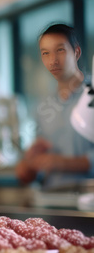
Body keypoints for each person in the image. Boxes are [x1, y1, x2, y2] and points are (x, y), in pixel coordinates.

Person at [15, 24, 94, 190]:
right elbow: (32, 172)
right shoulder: (43, 106)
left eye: (60, 50)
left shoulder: (91, 95)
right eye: (46, 53)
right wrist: (29, 162)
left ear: (77, 52)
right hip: (51, 198)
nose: (53, 60)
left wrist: (62, 163)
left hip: (88, 196)